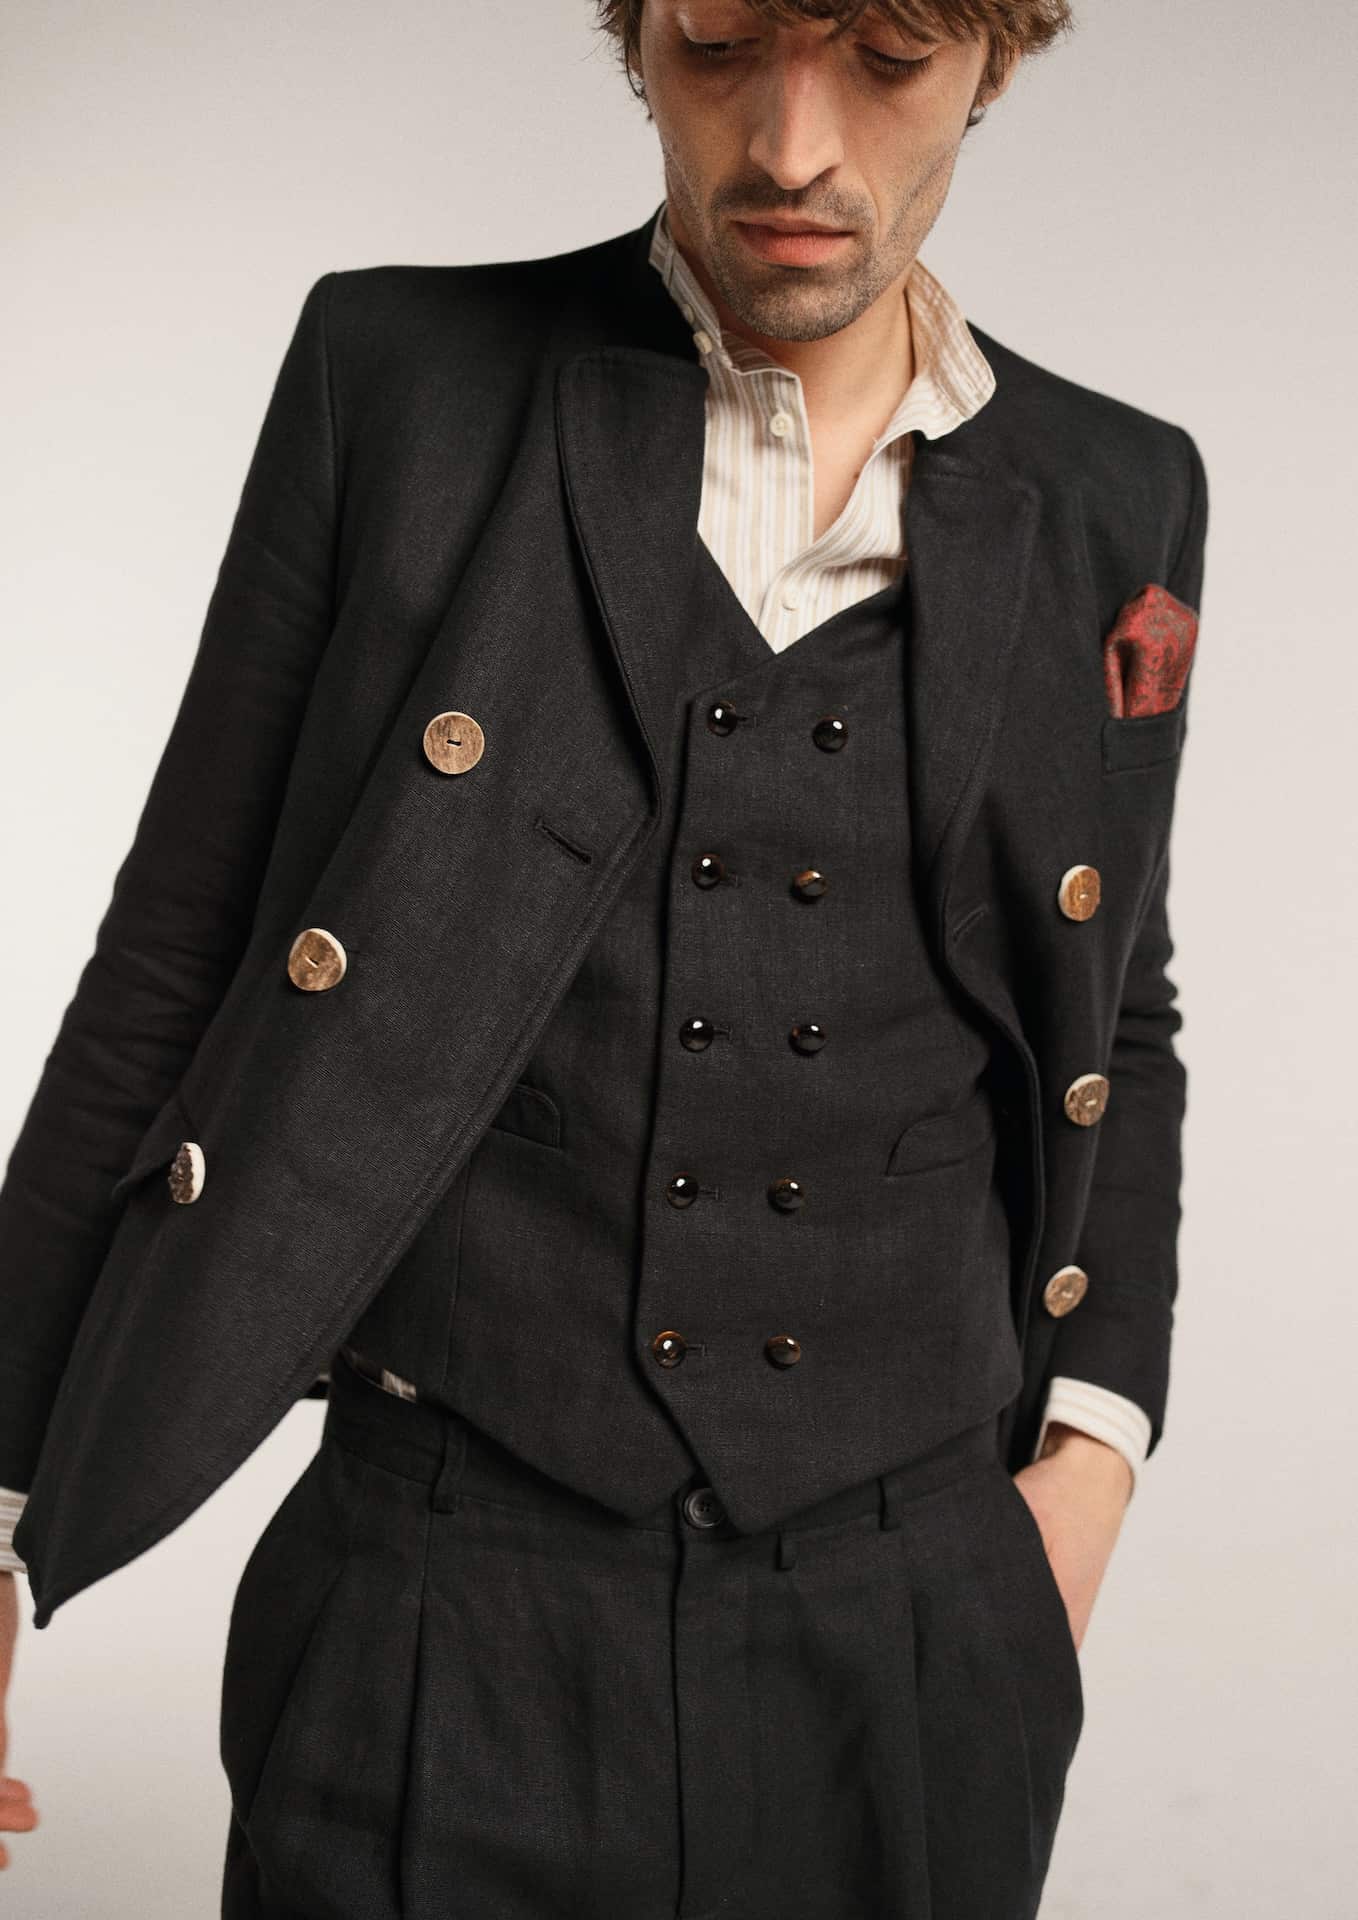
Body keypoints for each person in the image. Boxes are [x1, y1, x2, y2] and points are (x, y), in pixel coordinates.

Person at [0, 1, 1209, 1911]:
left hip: (913, 1631)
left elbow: (1112, 1010)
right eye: (721, 43)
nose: (792, 145)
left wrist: (1091, 1458)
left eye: (887, 56)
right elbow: (179, 949)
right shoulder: (398, 381)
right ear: (636, 38)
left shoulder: (1122, 491)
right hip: (434, 1594)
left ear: (993, 57)